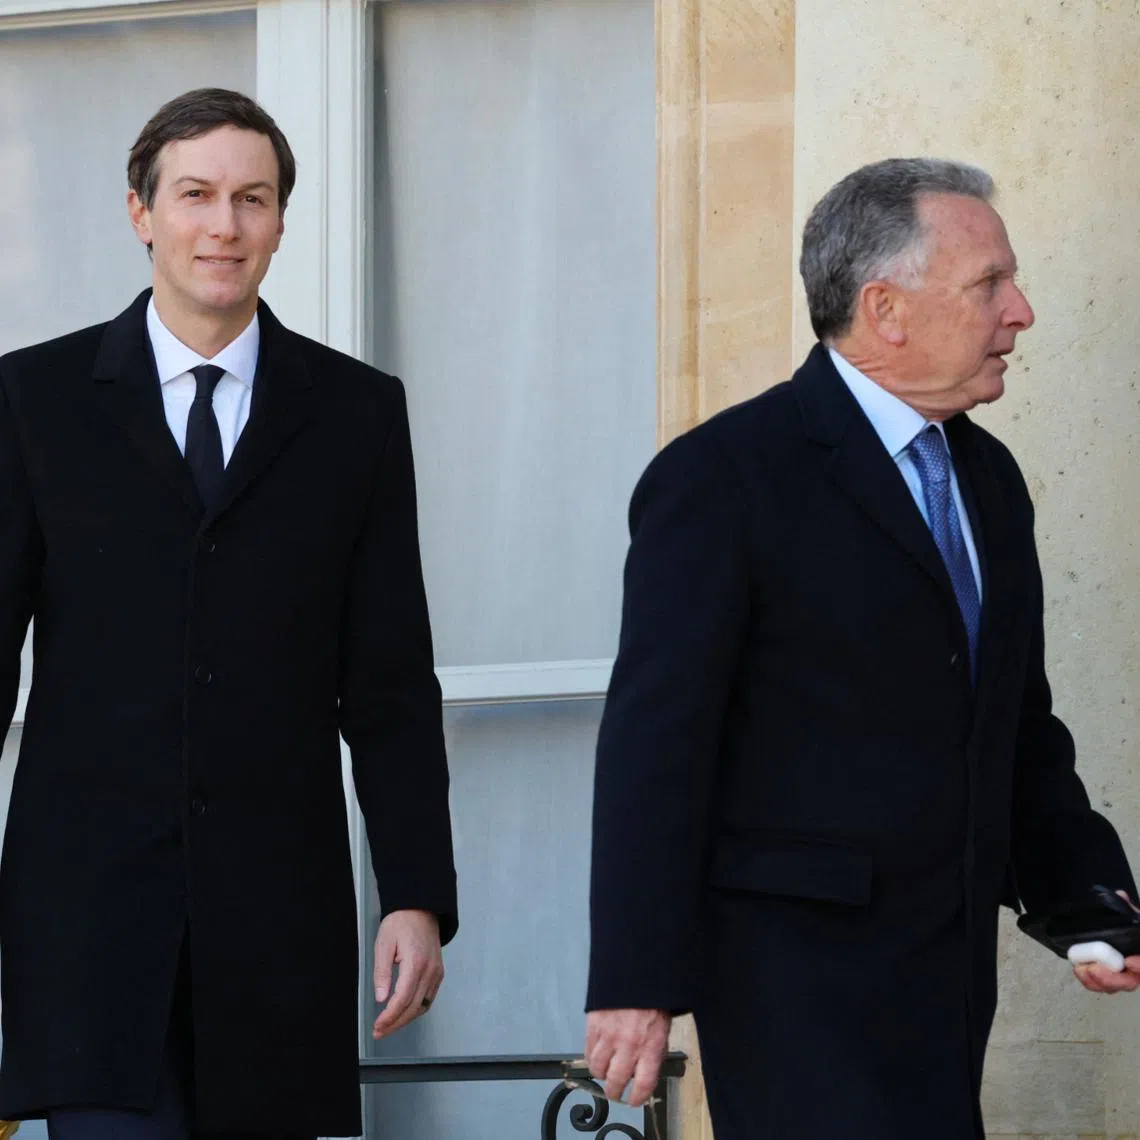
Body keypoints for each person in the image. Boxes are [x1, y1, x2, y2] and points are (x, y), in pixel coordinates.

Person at [584, 158, 1139, 1139]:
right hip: (794, 987)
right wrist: (635, 980)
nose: (1020, 313)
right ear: (885, 309)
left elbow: (1013, 723)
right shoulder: (724, 477)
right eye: (990, 285)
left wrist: (1085, 902)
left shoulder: (990, 480)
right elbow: (655, 747)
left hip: (945, 982)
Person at [0, 88, 456, 1139]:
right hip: (87, 933)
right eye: (196, 195)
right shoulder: (34, 401)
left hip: (276, 931)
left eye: (252, 199)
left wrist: (416, 894)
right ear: (141, 212)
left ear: (282, 222)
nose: (225, 226)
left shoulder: (357, 414)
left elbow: (389, 682)